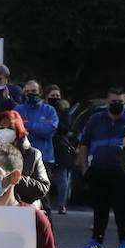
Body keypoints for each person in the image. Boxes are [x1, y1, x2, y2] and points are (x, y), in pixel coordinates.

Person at [78, 88, 125, 248]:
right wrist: (84, 167)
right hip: (98, 172)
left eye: (120, 102)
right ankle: (97, 241)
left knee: (123, 210)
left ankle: (124, 242)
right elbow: (84, 143)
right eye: (114, 102)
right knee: (100, 209)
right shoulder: (95, 120)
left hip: (123, 174)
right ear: (107, 102)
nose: (117, 105)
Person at [0, 110, 49, 206]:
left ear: (18, 131)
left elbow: (42, 187)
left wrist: (12, 179)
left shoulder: (32, 154)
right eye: (1, 128)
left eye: (10, 128)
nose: (5, 131)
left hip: (23, 209)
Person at [16, 79, 59, 210]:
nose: (31, 94)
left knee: (43, 195)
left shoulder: (49, 110)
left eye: (34, 91)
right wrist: (37, 128)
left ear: (40, 92)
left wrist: (27, 125)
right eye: (28, 91)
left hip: (45, 158)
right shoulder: (18, 109)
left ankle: (47, 227)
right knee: (21, 195)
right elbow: (16, 131)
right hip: (22, 157)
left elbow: (49, 130)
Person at [45, 85, 74, 214]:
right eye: (52, 95)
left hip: (60, 147)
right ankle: (46, 204)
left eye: (57, 95)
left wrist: (52, 124)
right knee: (45, 177)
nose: (55, 98)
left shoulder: (64, 110)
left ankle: (62, 204)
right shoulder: (43, 109)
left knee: (62, 178)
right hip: (46, 145)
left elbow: (66, 127)